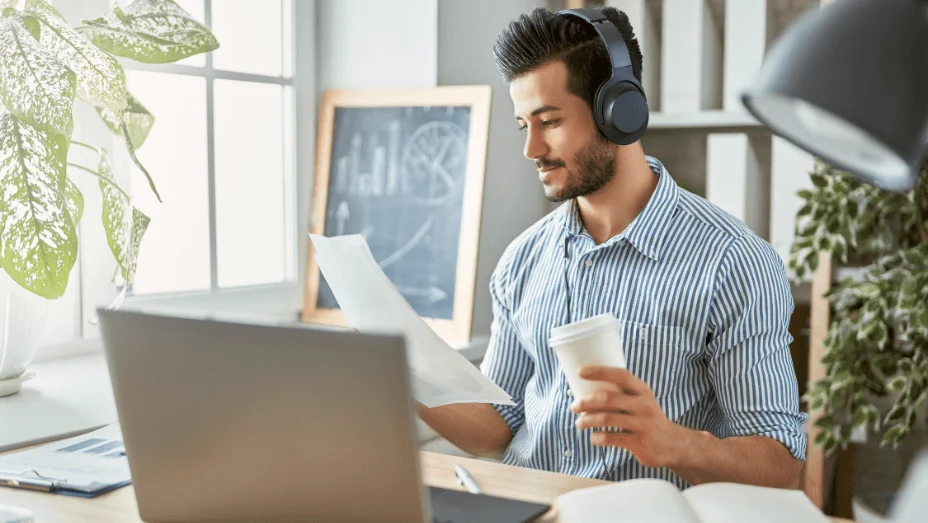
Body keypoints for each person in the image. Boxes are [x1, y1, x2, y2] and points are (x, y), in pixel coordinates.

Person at [418, 6, 807, 489]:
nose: (531, 149)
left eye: (550, 122)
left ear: (621, 111)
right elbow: (500, 423)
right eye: (524, 126)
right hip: (527, 505)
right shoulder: (522, 260)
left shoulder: (734, 262)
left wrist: (670, 442)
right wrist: (406, 380)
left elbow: (781, 466)